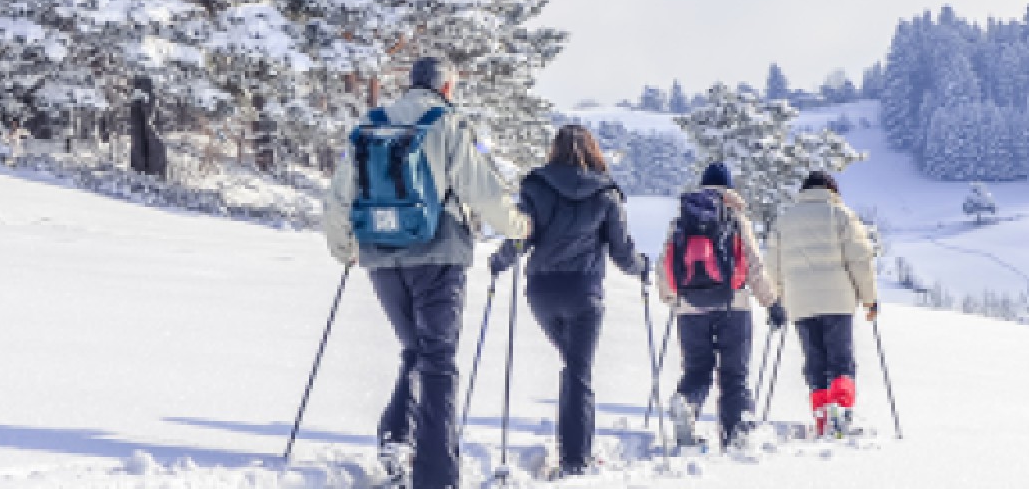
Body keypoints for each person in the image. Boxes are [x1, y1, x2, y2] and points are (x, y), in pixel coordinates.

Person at [320, 57, 531, 489]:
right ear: (447, 87)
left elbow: (341, 193)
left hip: (380, 257)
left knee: (415, 349)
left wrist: (345, 249)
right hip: (438, 254)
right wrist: (518, 227)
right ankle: (436, 477)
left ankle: (397, 440)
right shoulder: (447, 123)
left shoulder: (372, 124)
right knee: (437, 361)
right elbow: (481, 190)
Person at [489, 124, 648, 478]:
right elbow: (622, 252)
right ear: (593, 150)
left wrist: (500, 261)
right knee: (579, 371)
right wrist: (642, 268)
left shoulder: (536, 187)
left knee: (574, 366)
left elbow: (521, 236)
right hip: (583, 293)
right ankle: (575, 459)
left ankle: (575, 447)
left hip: (542, 292)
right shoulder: (606, 193)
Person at [656, 162, 786, 450]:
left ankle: (687, 403)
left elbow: (665, 264)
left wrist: (672, 298)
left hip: (690, 308)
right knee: (734, 375)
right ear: (729, 187)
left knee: (696, 370)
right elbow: (754, 265)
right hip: (733, 306)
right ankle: (737, 432)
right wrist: (772, 303)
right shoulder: (735, 216)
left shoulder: (682, 219)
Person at [767, 170, 877, 437]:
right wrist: (870, 299)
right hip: (837, 300)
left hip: (800, 303)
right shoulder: (841, 215)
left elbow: (773, 266)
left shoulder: (784, 220)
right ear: (832, 190)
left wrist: (778, 298)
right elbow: (860, 260)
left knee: (814, 362)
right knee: (841, 362)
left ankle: (822, 418)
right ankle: (841, 411)